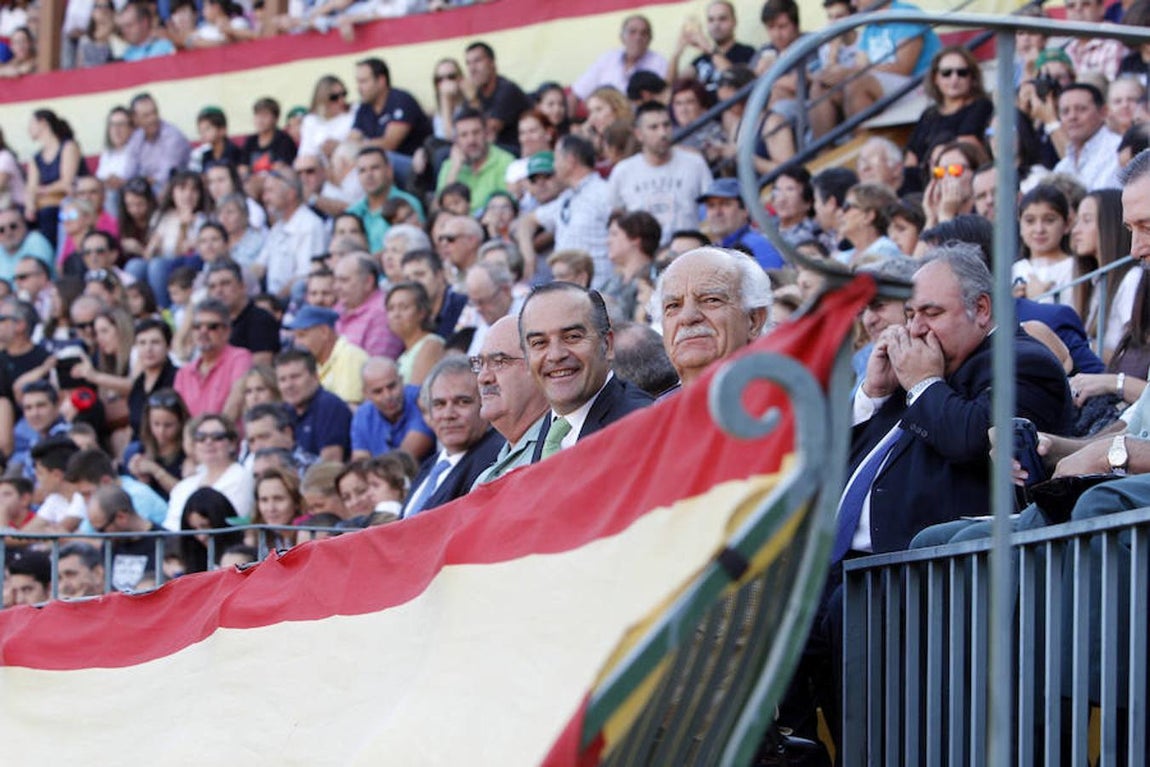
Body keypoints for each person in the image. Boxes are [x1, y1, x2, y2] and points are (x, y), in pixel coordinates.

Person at [519, 282, 653, 463]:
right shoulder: (549, 430)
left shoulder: (643, 426)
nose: (556, 355)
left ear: (608, 345)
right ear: (526, 357)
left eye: (572, 337)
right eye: (539, 343)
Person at [401, 356, 502, 517]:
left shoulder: (496, 461)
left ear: (485, 404)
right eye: (439, 404)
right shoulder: (430, 465)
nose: (448, 415)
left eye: (462, 402)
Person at [656, 246, 772, 388]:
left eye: (711, 300)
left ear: (754, 320)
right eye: (673, 306)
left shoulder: (791, 403)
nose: (687, 318)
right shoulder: (656, 408)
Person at [608, 102, 713, 247]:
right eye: (654, 127)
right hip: (643, 258)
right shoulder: (623, 171)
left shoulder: (694, 164)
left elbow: (710, 210)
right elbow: (615, 218)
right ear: (639, 134)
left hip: (687, 254)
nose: (662, 133)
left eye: (667, 125)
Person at [518, 135, 613, 288]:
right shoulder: (567, 198)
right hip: (567, 289)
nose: (554, 166)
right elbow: (527, 221)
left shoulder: (604, 193)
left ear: (570, 160)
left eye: (556, 158)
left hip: (599, 289)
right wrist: (529, 256)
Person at [469, 314, 549, 485]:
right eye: (480, 363)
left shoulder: (562, 446)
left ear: (539, 367)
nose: (483, 377)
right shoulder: (485, 476)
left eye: (498, 362)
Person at [905, 46, 994, 168]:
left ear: (972, 78)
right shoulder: (929, 114)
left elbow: (967, 143)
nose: (954, 79)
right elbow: (912, 157)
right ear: (935, 78)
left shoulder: (981, 106)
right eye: (946, 73)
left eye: (962, 73)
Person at [165, 413, 252, 530]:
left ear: (232, 443)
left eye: (217, 437)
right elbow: (169, 528)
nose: (208, 442)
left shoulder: (241, 477)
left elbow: (230, 522)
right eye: (201, 437)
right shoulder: (182, 487)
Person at [173, 298, 253, 417]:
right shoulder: (183, 374)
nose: (203, 331)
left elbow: (235, 404)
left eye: (212, 326)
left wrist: (216, 434)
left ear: (227, 332)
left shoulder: (240, 359)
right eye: (197, 326)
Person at [257, 168, 326, 301]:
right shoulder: (277, 227)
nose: (265, 198)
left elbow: (305, 276)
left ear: (291, 194)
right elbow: (259, 266)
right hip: (275, 302)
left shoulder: (310, 225)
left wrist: (273, 302)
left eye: (270, 191)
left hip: (296, 303)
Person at [87, 484, 171, 591]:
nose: (102, 536)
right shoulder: (110, 545)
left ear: (121, 517)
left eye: (101, 530)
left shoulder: (167, 542)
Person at [274, 348, 352, 463]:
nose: (288, 385)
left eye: (295, 377)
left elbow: (330, 464)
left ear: (315, 376)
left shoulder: (329, 406)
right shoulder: (283, 411)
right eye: (282, 380)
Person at [350, 357, 434, 462]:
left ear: (401, 380)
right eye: (378, 391)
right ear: (366, 394)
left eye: (391, 386)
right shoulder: (363, 415)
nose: (387, 396)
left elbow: (404, 459)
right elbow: (360, 463)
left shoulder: (420, 400)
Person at [436, 108, 515, 214]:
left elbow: (507, 205)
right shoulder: (449, 166)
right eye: (464, 135)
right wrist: (455, 169)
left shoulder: (505, 161)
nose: (471, 140)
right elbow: (438, 211)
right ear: (456, 140)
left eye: (476, 132)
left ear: (486, 134)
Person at [350, 56, 432, 160]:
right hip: (383, 164)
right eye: (358, 82)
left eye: (363, 81)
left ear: (381, 80)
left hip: (414, 164)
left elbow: (389, 144)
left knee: (372, 160)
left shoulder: (401, 100)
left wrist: (358, 146)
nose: (359, 88)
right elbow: (351, 140)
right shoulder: (364, 107)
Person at [24, 110, 83, 252]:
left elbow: (66, 183)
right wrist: (30, 206)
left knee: (49, 213)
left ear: (43, 122)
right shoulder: (36, 157)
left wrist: (42, 190)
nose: (28, 129)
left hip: (68, 202)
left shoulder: (68, 146)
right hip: (47, 203)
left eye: (31, 123)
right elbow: (31, 188)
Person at [572, 14, 667, 102]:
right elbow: (576, 94)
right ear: (622, 37)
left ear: (650, 39)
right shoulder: (608, 59)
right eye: (632, 32)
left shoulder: (659, 63)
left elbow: (666, 97)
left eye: (644, 33)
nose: (638, 37)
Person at [347, 147, 424, 254]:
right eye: (362, 171)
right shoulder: (352, 212)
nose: (369, 175)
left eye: (375, 168)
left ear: (389, 170)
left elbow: (416, 245)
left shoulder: (407, 203)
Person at [286, 305, 369, 404]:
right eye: (295, 337)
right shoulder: (314, 360)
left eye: (302, 335)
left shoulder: (350, 356)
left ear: (324, 332)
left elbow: (348, 409)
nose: (297, 343)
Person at [695, 178, 783, 270]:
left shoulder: (759, 245)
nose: (717, 212)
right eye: (711, 206)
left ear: (745, 209)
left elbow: (773, 281)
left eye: (725, 204)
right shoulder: (711, 251)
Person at [667, 0, 756, 91]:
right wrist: (676, 54)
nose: (716, 25)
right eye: (711, 20)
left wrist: (707, 46)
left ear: (734, 22)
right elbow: (672, 87)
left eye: (722, 19)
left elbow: (737, 81)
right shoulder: (701, 59)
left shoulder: (747, 52)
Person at [463, 41, 533, 152]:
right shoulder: (475, 93)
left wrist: (473, 99)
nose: (472, 69)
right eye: (468, 63)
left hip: (517, 151)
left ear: (492, 63)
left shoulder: (506, 90)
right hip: (494, 152)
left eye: (477, 61)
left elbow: (486, 133)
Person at [1053, 84, 1122, 191]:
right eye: (1065, 111)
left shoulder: (1119, 152)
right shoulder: (1062, 166)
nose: (1072, 117)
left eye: (1081, 109)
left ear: (1103, 112)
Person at [125, 387, 188, 500]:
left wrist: (155, 470)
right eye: (156, 424)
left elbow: (185, 493)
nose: (161, 431)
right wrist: (140, 478)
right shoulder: (139, 449)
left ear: (181, 422)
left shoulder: (188, 451)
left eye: (168, 425)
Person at [123, 93, 192, 192]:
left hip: (176, 188)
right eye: (146, 115)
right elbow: (129, 173)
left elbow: (166, 176)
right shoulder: (136, 138)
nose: (152, 118)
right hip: (148, 189)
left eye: (154, 112)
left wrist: (143, 182)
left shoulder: (173, 136)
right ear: (135, 118)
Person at [386, 282, 445, 386]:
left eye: (404, 307)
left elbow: (417, 393)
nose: (396, 314)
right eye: (391, 308)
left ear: (421, 312)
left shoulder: (431, 345)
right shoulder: (404, 354)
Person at [401, 249, 468, 339]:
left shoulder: (463, 305)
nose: (413, 283)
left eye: (420, 275)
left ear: (439, 275)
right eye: (407, 279)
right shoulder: (412, 316)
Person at [837, 182, 904, 265]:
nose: (840, 213)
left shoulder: (885, 250)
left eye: (846, 206)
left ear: (868, 216)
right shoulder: (842, 257)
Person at [180, 486, 243, 573]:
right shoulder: (193, 558)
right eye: (194, 529)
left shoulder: (245, 554)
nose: (201, 537)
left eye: (205, 526)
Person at [0, 206, 53, 284]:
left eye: (13, 226)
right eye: (1, 230)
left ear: (24, 225)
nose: (8, 233)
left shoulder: (36, 240)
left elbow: (36, 281)